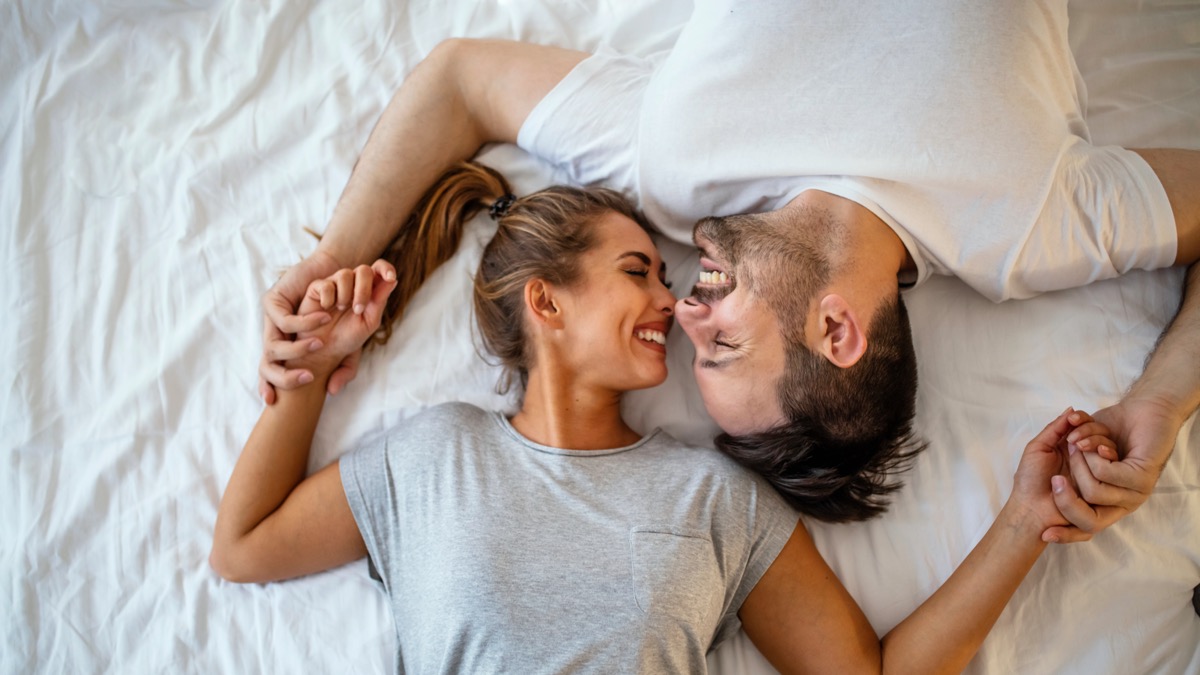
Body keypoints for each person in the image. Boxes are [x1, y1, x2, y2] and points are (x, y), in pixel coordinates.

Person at [258, 3, 1200, 527]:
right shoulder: (1032, 227)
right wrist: (1161, 402)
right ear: (837, 329)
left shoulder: (673, 178)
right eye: (724, 347)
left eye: (695, 349)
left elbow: (460, 77)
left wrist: (341, 253)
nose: (682, 315)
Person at [214, 161, 1117, 673]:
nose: (669, 294)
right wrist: (317, 366)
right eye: (637, 270)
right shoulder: (430, 456)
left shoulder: (716, 498)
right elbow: (244, 545)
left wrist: (1023, 522)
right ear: (548, 302)